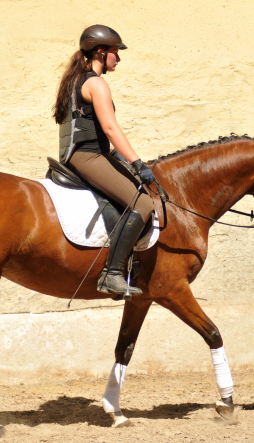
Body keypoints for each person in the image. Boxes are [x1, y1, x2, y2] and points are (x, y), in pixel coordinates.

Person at [53, 24, 155, 297]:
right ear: (100, 52)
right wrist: (137, 163)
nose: (118, 58)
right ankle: (111, 274)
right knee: (143, 202)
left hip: (80, 155)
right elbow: (111, 129)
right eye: (114, 52)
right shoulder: (96, 83)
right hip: (89, 157)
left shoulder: (74, 80)